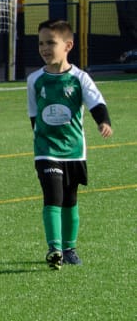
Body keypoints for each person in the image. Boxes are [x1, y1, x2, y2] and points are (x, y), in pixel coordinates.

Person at [27, 19, 113, 268]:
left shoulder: (79, 78)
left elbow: (96, 102)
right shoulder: (35, 80)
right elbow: (34, 113)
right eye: (41, 43)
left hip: (74, 150)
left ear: (68, 46)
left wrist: (102, 121)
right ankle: (54, 249)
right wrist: (41, 137)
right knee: (52, 196)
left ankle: (69, 248)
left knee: (70, 199)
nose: (44, 48)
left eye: (50, 43)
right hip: (46, 150)